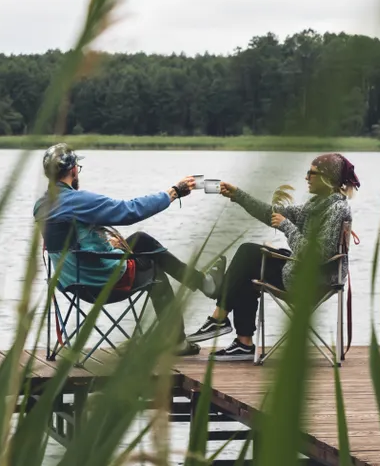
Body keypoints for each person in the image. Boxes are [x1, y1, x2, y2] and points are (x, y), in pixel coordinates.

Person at [33, 143, 225, 357]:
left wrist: (106, 244)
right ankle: (179, 337)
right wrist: (174, 192)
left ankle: (201, 283)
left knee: (140, 240)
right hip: (100, 281)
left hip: (72, 281)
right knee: (155, 271)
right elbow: (129, 211)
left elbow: (71, 242)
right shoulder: (76, 201)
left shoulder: (41, 206)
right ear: (73, 170)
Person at [186, 153, 360, 361]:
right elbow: (272, 212)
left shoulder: (336, 210)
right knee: (249, 259)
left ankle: (223, 321)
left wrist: (287, 227)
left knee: (248, 255)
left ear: (327, 178)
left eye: (311, 173)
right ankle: (240, 340)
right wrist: (237, 195)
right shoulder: (317, 206)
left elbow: (318, 255)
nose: (306, 177)